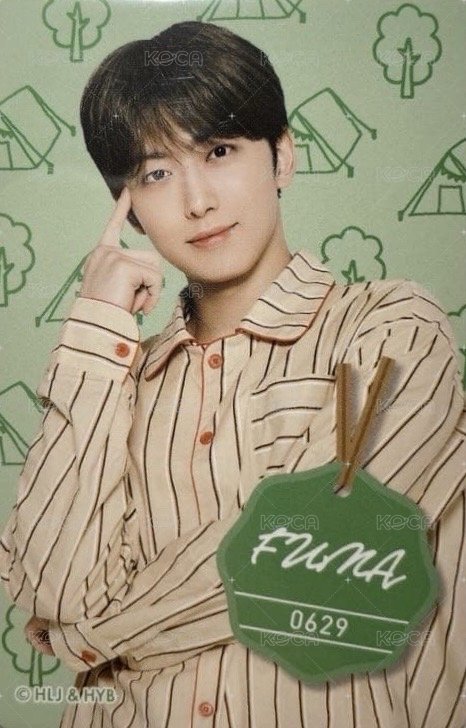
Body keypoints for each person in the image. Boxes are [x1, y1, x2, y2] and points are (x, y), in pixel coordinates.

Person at [1, 20, 465, 728]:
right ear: (128, 208)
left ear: (282, 155)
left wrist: (90, 638)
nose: (197, 201)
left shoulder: (392, 328)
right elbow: (50, 590)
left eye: (219, 152)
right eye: (156, 173)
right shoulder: (116, 382)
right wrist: (95, 332)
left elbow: (316, 550)